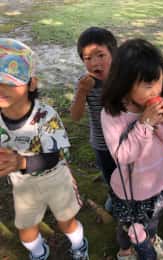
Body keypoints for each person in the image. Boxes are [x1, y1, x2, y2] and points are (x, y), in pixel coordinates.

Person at [0, 38, 88, 259]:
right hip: (23, 186)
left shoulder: (45, 116)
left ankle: (80, 246)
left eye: (10, 82)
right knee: (26, 232)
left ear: (31, 84)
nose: (1, 88)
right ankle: (39, 253)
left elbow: (54, 157)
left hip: (56, 180)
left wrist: (20, 162)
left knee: (67, 222)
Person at [101, 39, 163, 260]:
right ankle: (125, 249)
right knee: (128, 227)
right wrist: (144, 124)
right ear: (125, 83)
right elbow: (122, 155)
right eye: (148, 85)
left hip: (159, 183)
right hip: (131, 193)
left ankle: (152, 238)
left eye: (159, 82)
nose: (156, 90)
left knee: (153, 221)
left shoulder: (158, 107)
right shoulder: (112, 115)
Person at [70, 27, 117, 212]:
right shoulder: (85, 83)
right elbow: (75, 116)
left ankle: (130, 197)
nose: (95, 63)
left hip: (127, 141)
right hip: (101, 143)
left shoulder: (122, 78)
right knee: (109, 174)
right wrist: (82, 92)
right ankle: (114, 196)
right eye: (88, 58)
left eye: (100, 55)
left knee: (128, 174)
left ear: (113, 55)